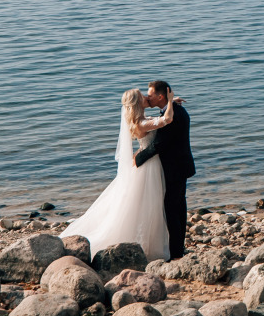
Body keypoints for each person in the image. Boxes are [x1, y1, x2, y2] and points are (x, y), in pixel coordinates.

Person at [61, 89, 173, 261]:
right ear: (137, 102)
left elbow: (157, 119)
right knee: (149, 204)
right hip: (148, 166)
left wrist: (168, 104)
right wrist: (171, 101)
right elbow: (166, 120)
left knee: (148, 203)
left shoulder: (139, 120)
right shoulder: (141, 123)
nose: (146, 97)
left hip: (148, 163)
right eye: (142, 96)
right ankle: (147, 246)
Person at [133, 80, 194, 260]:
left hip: (175, 169)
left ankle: (175, 252)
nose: (147, 98)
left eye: (150, 95)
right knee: (177, 208)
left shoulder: (172, 115)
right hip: (178, 167)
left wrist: (138, 159)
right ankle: (177, 249)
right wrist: (172, 102)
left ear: (160, 96)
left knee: (172, 209)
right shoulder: (173, 110)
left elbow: (159, 145)